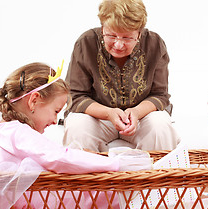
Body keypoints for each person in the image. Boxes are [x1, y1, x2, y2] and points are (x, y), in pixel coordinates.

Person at [0, 61, 151, 209]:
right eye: (56, 111)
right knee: (108, 193)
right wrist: (115, 163)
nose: (56, 120)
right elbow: (58, 158)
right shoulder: (18, 132)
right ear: (34, 101)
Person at [63, 0, 180, 152]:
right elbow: (75, 96)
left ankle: (154, 176)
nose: (118, 44)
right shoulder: (86, 43)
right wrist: (108, 113)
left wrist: (136, 112)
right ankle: (88, 176)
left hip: (141, 117)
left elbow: (160, 95)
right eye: (111, 35)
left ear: (139, 33)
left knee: (160, 125)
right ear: (102, 27)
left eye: (127, 38)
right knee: (77, 126)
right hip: (97, 118)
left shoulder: (155, 44)